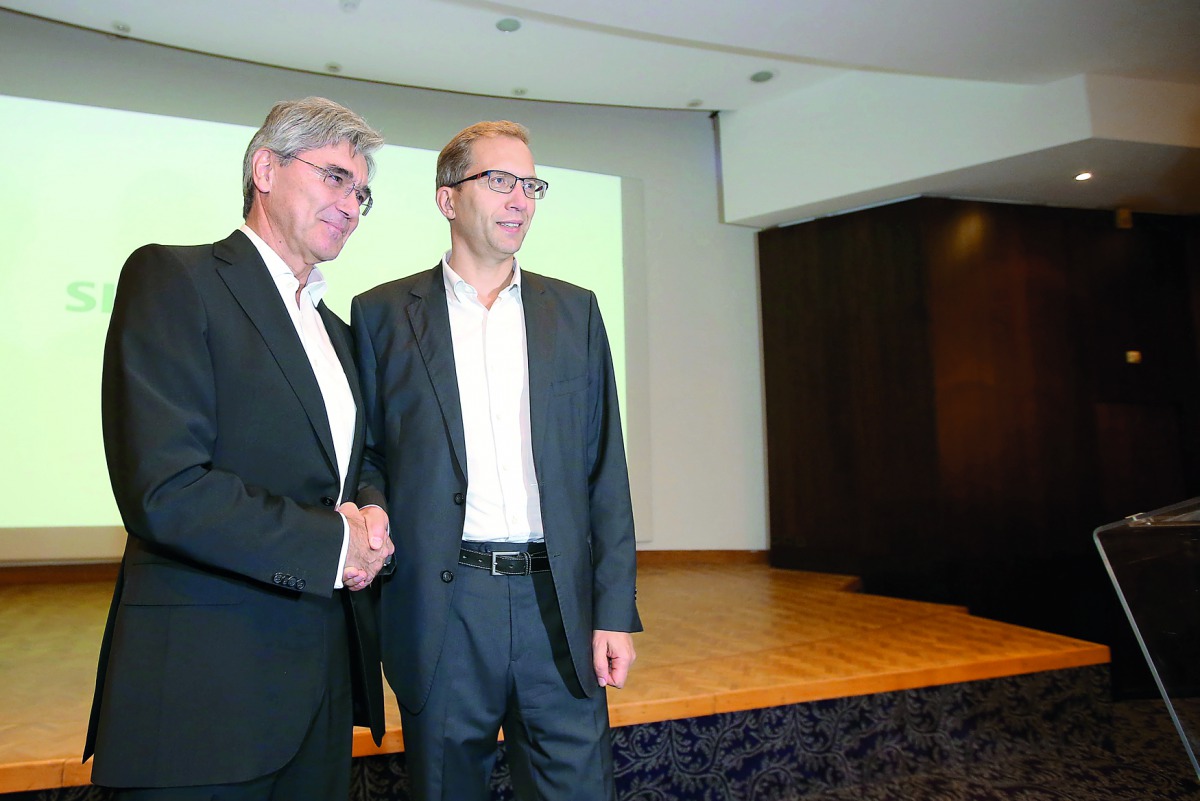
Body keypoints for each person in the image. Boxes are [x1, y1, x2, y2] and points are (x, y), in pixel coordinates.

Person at [84, 96, 395, 801]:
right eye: (335, 178)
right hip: (203, 701)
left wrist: (371, 512)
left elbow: (357, 462)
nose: (351, 203)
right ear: (265, 168)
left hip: (318, 698)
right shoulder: (175, 279)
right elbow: (166, 489)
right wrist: (333, 543)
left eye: (362, 191)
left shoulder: (338, 331)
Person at [351, 120, 641, 801]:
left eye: (531, 185)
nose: (521, 199)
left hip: (559, 606)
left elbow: (606, 470)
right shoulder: (383, 314)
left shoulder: (575, 311)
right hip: (447, 605)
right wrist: (370, 508)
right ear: (448, 199)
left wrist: (615, 609)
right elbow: (366, 455)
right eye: (500, 181)